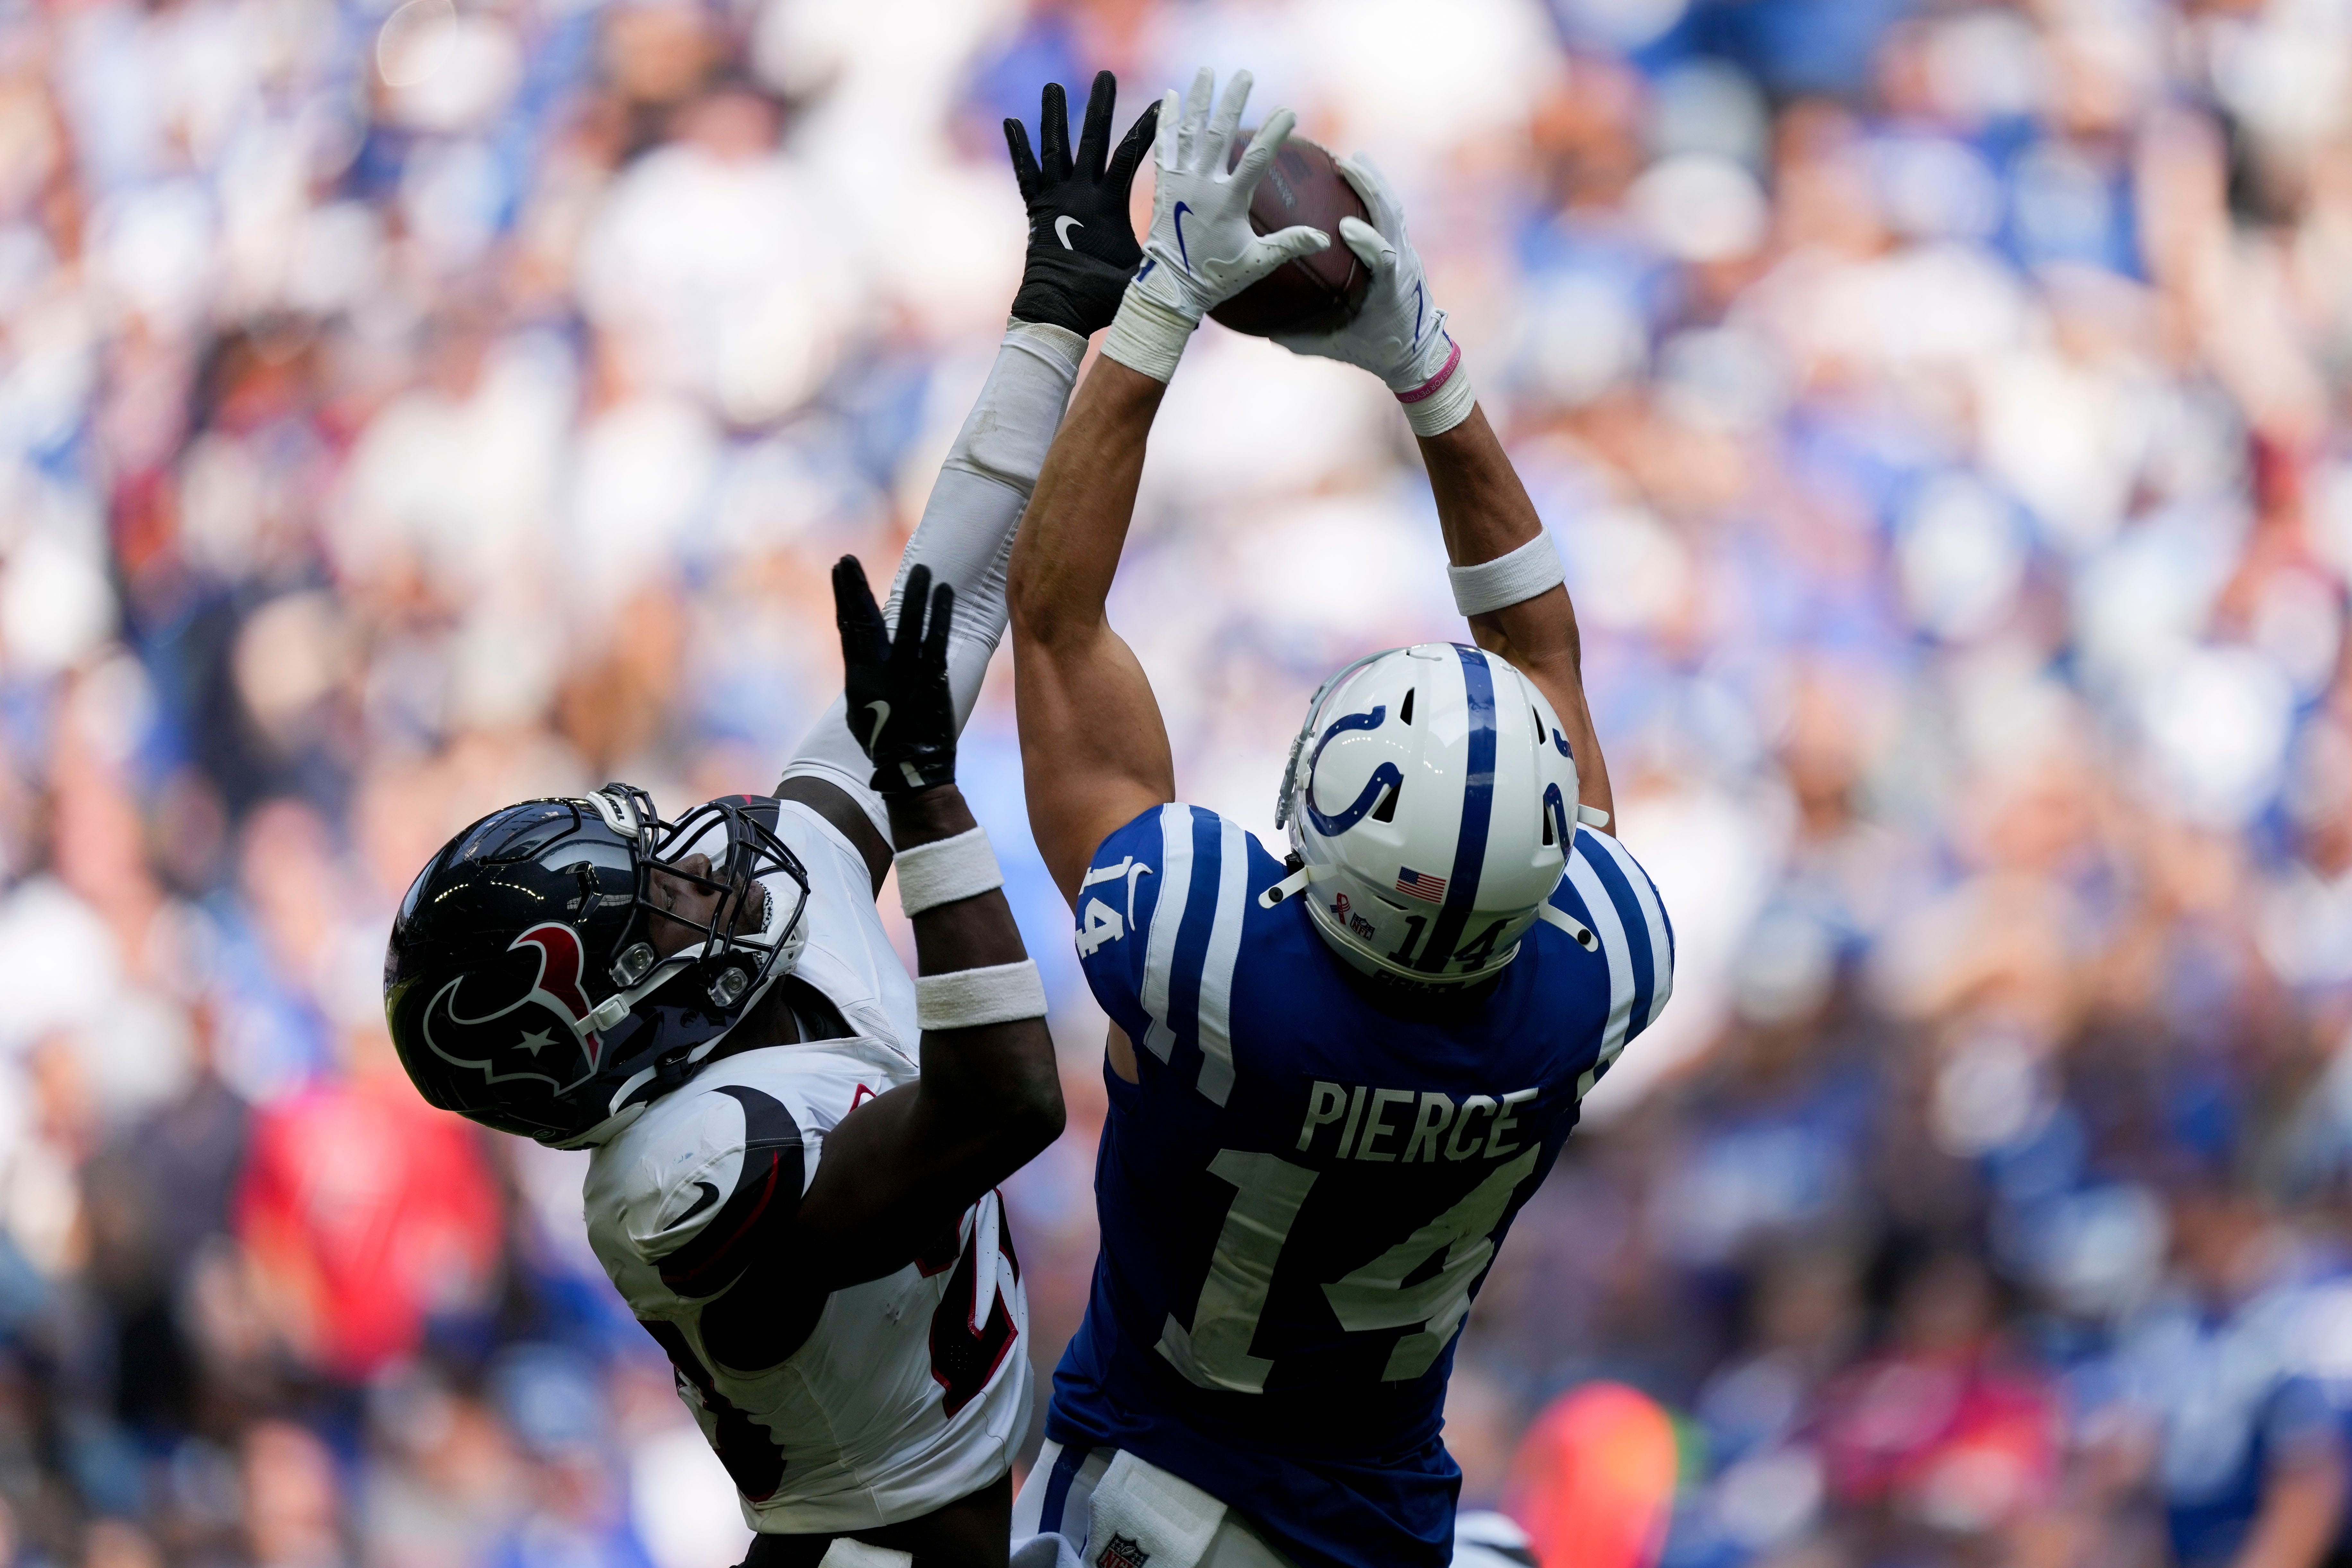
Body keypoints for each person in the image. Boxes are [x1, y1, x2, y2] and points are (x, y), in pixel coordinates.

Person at [381, 75, 1159, 1568]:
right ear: (595, 1020)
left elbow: (948, 608)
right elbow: (1001, 1105)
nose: (687, 872)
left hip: (1001, 1485)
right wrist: (925, 798)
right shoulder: (672, 1178)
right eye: (640, 908)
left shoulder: (774, 887)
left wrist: (1055, 314)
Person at [1005, 68, 1677, 1568]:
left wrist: (1163, 299)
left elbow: (1053, 624)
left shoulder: (1210, 958)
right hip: (1379, 1528)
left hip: (1151, 1502)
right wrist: (1426, 371)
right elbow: (1547, 658)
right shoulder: (1591, 977)